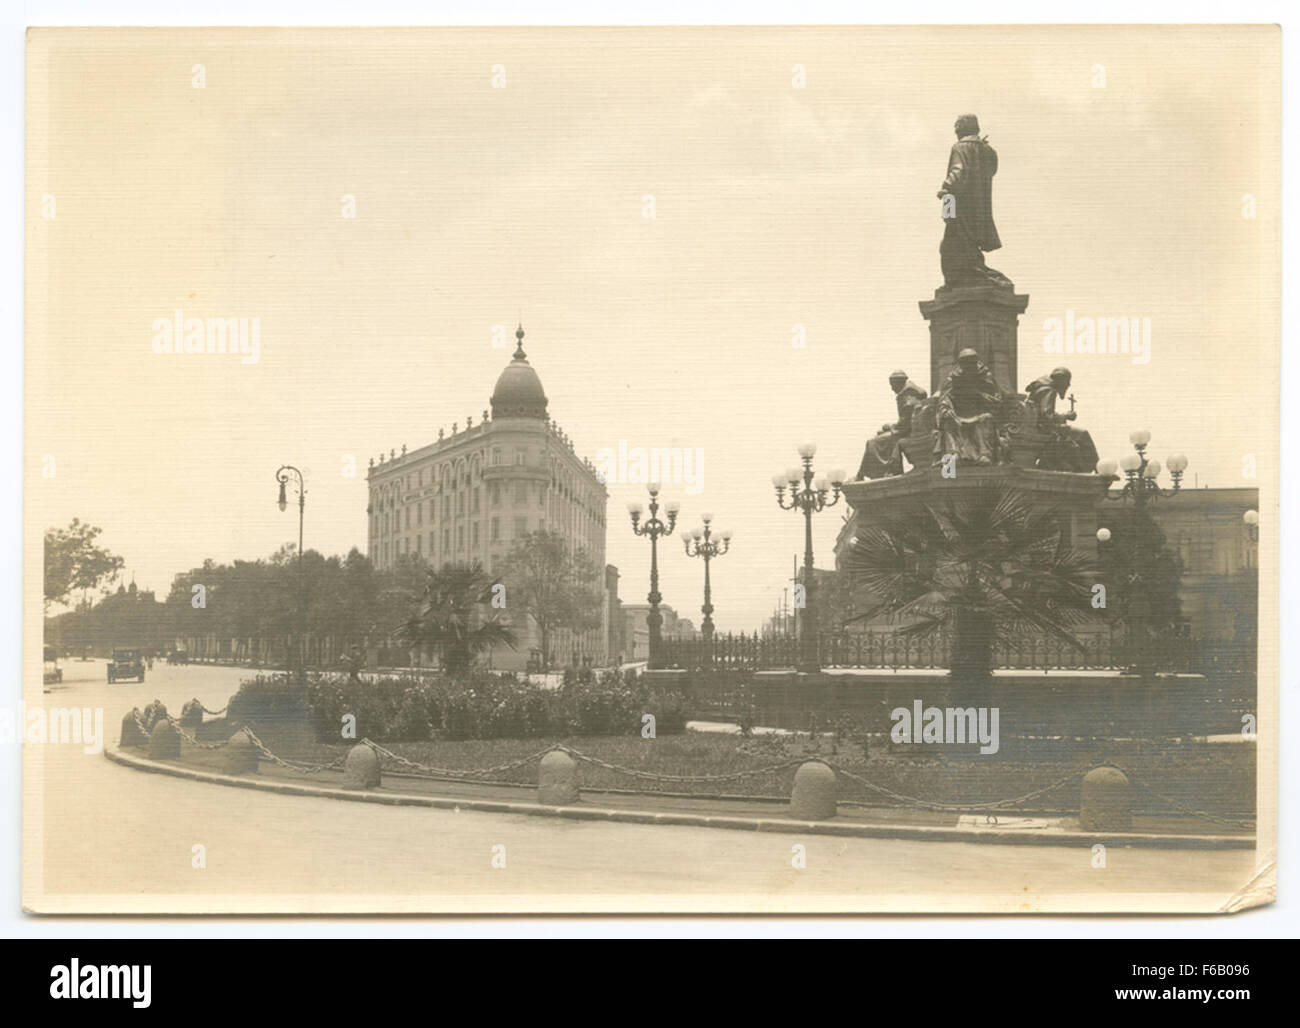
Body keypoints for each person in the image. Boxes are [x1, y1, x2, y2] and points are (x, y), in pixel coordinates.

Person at [937, 114, 1011, 289]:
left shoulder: (960, 147)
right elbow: (992, 169)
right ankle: (968, 277)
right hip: (980, 210)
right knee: (968, 245)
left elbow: (958, 172)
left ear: (961, 129)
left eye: (957, 127)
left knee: (949, 246)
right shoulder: (987, 150)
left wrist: (945, 189)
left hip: (959, 206)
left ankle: (953, 283)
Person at [934, 349, 1004, 465]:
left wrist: (978, 394)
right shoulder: (952, 378)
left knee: (985, 418)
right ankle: (952, 457)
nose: (968, 367)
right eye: (965, 364)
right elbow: (944, 399)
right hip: (958, 414)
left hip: (980, 412)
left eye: (971, 363)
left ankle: (985, 455)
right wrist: (946, 409)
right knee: (948, 419)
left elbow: (997, 400)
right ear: (960, 364)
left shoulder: (986, 376)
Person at [856, 371, 929, 479]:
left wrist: (891, 427)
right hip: (906, 430)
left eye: (892, 385)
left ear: (898, 383)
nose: (892, 389)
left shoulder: (907, 397)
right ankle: (885, 471)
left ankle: (865, 474)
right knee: (880, 437)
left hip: (907, 432)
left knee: (872, 442)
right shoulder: (908, 394)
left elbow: (904, 425)